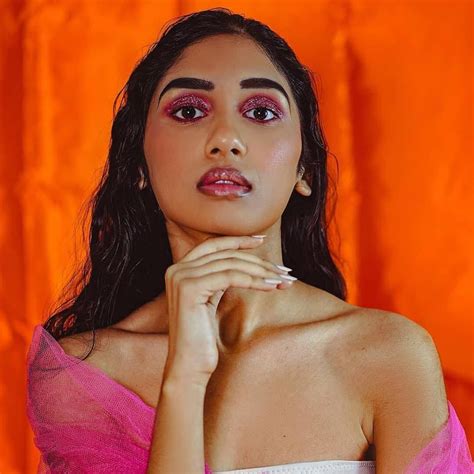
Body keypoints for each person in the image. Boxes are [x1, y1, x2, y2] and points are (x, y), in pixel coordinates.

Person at [26, 7, 472, 474]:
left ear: (304, 170)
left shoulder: (388, 355)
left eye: (261, 112)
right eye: (189, 111)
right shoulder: (85, 375)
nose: (226, 139)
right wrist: (184, 376)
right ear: (137, 164)